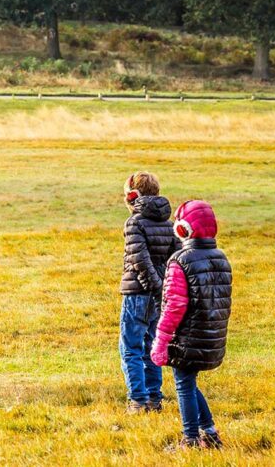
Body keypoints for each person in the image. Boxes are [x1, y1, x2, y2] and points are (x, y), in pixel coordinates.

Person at [151, 200, 233, 450]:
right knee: (188, 382)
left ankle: (191, 440)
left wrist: (161, 340)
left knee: (184, 385)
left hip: (187, 336)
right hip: (212, 336)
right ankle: (209, 433)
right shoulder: (221, 258)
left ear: (183, 229)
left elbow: (174, 305)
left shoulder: (180, 260)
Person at [118, 171, 179, 414]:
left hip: (138, 292)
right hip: (159, 294)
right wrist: (163, 289)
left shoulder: (134, 223)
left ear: (133, 196)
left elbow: (139, 260)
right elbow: (174, 260)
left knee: (131, 348)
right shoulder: (169, 223)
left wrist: (154, 287)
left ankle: (137, 399)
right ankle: (154, 398)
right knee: (151, 346)